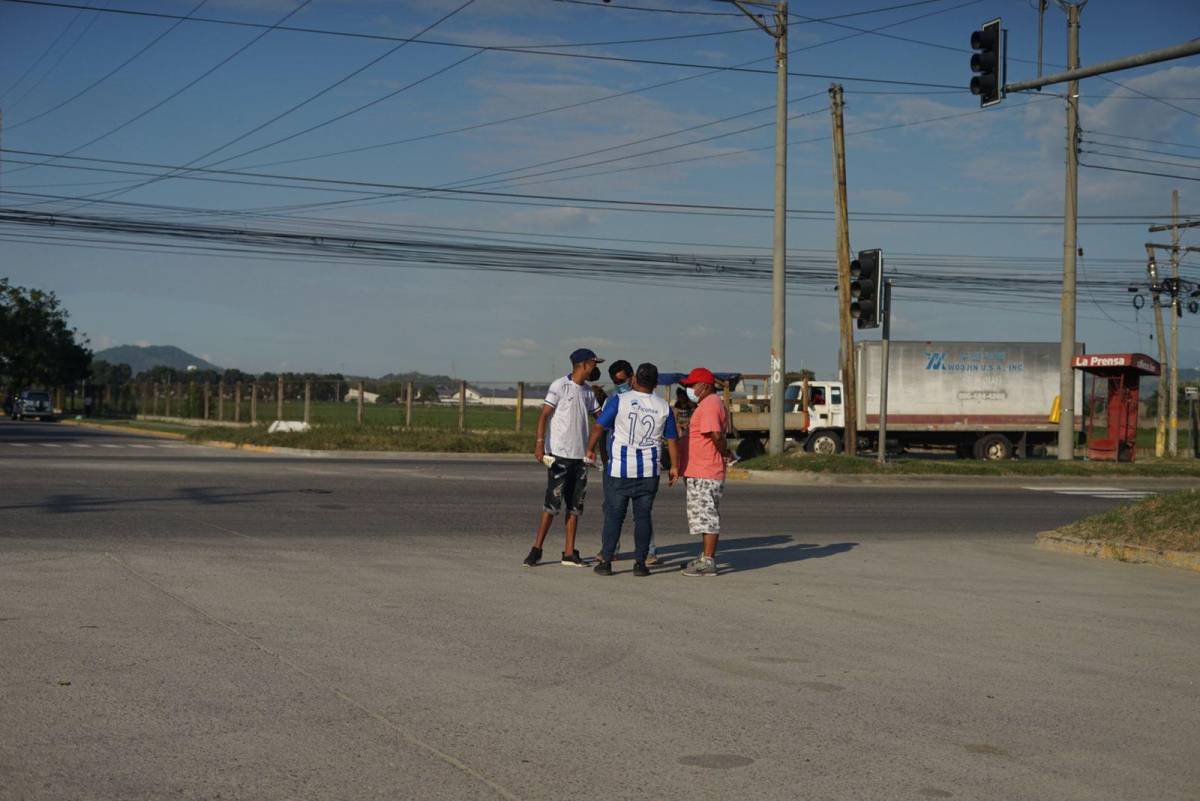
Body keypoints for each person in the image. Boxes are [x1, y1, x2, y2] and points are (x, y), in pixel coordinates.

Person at [587, 362, 678, 577]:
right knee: (643, 517)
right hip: (649, 471)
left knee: (614, 516)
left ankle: (607, 561)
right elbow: (672, 439)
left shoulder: (619, 400)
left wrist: (589, 449)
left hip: (619, 468)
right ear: (656, 383)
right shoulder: (664, 406)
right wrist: (674, 466)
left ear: (634, 379)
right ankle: (640, 563)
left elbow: (600, 426)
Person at [523, 348, 603, 568]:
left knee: (575, 506)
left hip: (581, 458)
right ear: (584, 364)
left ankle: (569, 551)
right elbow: (544, 416)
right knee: (552, 505)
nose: (596, 368)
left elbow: (600, 418)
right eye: (594, 364)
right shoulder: (559, 385)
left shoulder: (587, 392)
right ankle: (536, 549)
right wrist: (540, 445)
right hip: (559, 455)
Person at [678, 367, 732, 578]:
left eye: (692, 385)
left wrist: (724, 453)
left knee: (707, 516)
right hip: (701, 469)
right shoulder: (708, 404)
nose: (690, 389)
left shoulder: (710, 404)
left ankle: (708, 561)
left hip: (705, 471)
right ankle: (704, 557)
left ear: (706, 386)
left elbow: (716, 435)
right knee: (701, 515)